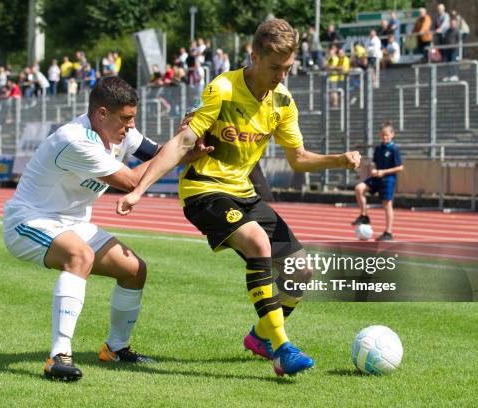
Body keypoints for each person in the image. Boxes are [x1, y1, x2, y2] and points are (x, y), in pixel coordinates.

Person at [115, 18, 361, 377]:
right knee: (258, 243)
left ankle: (260, 338)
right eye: (275, 67)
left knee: (301, 271)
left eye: (288, 68)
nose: (281, 76)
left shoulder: (283, 101)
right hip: (204, 191)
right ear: (254, 57)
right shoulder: (224, 89)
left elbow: (298, 158)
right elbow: (183, 141)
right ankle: (282, 347)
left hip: (242, 194)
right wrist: (139, 189)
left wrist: (338, 159)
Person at [2, 77, 162, 381]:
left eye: (133, 119)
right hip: (29, 220)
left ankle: (115, 348)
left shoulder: (120, 132)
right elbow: (131, 181)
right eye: (126, 119)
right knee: (80, 256)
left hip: (73, 223)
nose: (130, 126)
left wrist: (191, 143)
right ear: (102, 114)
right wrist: (180, 152)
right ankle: (58, 356)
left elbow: (158, 154)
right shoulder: (75, 140)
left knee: (134, 270)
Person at [352, 122, 404, 242]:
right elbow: (374, 163)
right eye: (382, 135)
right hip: (376, 177)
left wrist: (384, 172)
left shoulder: (394, 149)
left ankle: (388, 232)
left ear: (392, 135)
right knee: (359, 188)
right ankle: (364, 215)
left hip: (388, 179)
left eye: (387, 135)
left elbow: (400, 167)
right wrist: (374, 169)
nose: (384, 138)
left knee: (387, 204)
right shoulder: (379, 148)